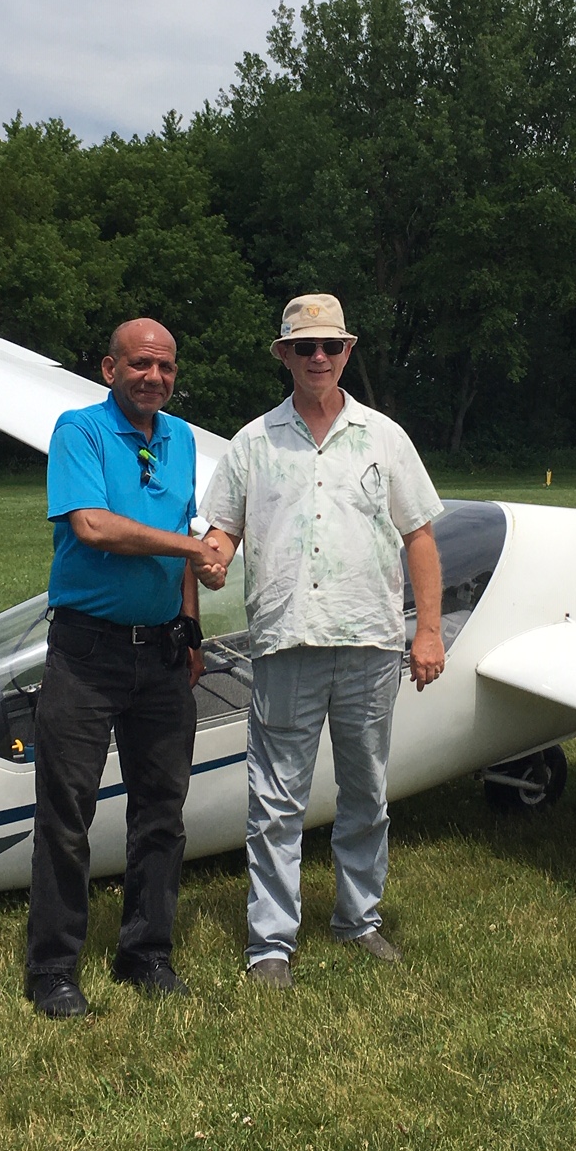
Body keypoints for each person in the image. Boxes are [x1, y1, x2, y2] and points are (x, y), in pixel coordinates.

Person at [200, 294, 446, 991]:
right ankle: (270, 943)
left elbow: (420, 536)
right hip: (285, 642)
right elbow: (224, 529)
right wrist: (214, 554)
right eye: (304, 347)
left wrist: (427, 631)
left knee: (367, 789)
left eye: (330, 347)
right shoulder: (253, 443)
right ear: (283, 354)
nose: (318, 358)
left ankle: (359, 919)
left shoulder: (384, 437)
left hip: (369, 640)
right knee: (276, 799)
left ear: (347, 352)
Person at [26, 318, 227, 1019]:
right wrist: (191, 547)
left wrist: (193, 622)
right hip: (86, 654)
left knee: (162, 814)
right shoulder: (77, 430)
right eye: (140, 365)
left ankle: (147, 954)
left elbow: (185, 545)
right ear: (110, 368)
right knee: (66, 814)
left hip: (164, 654)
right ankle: (53, 969)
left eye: (166, 368)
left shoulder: (180, 442)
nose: (154, 378)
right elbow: (95, 526)